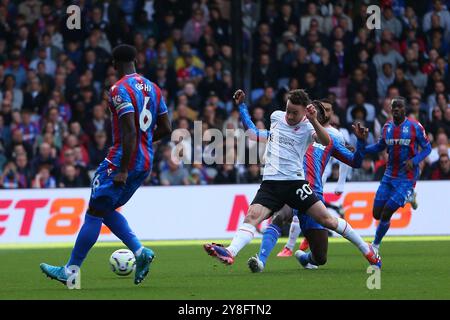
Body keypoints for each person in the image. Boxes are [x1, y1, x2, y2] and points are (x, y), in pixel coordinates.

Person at [203, 89, 381, 269]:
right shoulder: (276, 117)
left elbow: (326, 142)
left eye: (294, 112)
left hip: (296, 184)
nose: (289, 115)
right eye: (288, 110)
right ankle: (232, 251)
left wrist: (314, 121)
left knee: (327, 224)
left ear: (306, 112)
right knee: (253, 216)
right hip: (271, 183)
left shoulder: (312, 128)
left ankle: (366, 248)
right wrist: (241, 106)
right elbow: (253, 133)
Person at [39, 44, 172, 286]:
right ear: (136, 60)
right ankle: (140, 252)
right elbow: (166, 128)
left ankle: (70, 272)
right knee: (106, 208)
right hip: (145, 161)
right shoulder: (154, 88)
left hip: (122, 160)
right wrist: (145, 143)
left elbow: (130, 131)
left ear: (114, 64)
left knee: (94, 211)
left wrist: (122, 167)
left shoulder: (119, 89)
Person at [247, 100, 368, 272]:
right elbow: (260, 134)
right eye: (312, 109)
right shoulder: (290, 128)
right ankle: (261, 261)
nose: (316, 112)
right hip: (292, 185)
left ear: (326, 116)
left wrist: (360, 143)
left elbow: (353, 161)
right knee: (279, 217)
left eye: (325, 110)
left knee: (321, 257)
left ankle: (306, 257)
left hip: (313, 193)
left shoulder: (332, 137)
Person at [360, 97, 431, 253]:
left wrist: (415, 160)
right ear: (390, 110)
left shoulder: (415, 126)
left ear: (405, 109)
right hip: (389, 175)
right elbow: (379, 146)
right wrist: (362, 146)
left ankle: (375, 246)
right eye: (394, 107)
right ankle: (410, 196)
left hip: (407, 177)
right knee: (376, 214)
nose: (396, 109)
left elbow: (427, 148)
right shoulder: (387, 127)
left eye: (399, 106)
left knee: (387, 211)